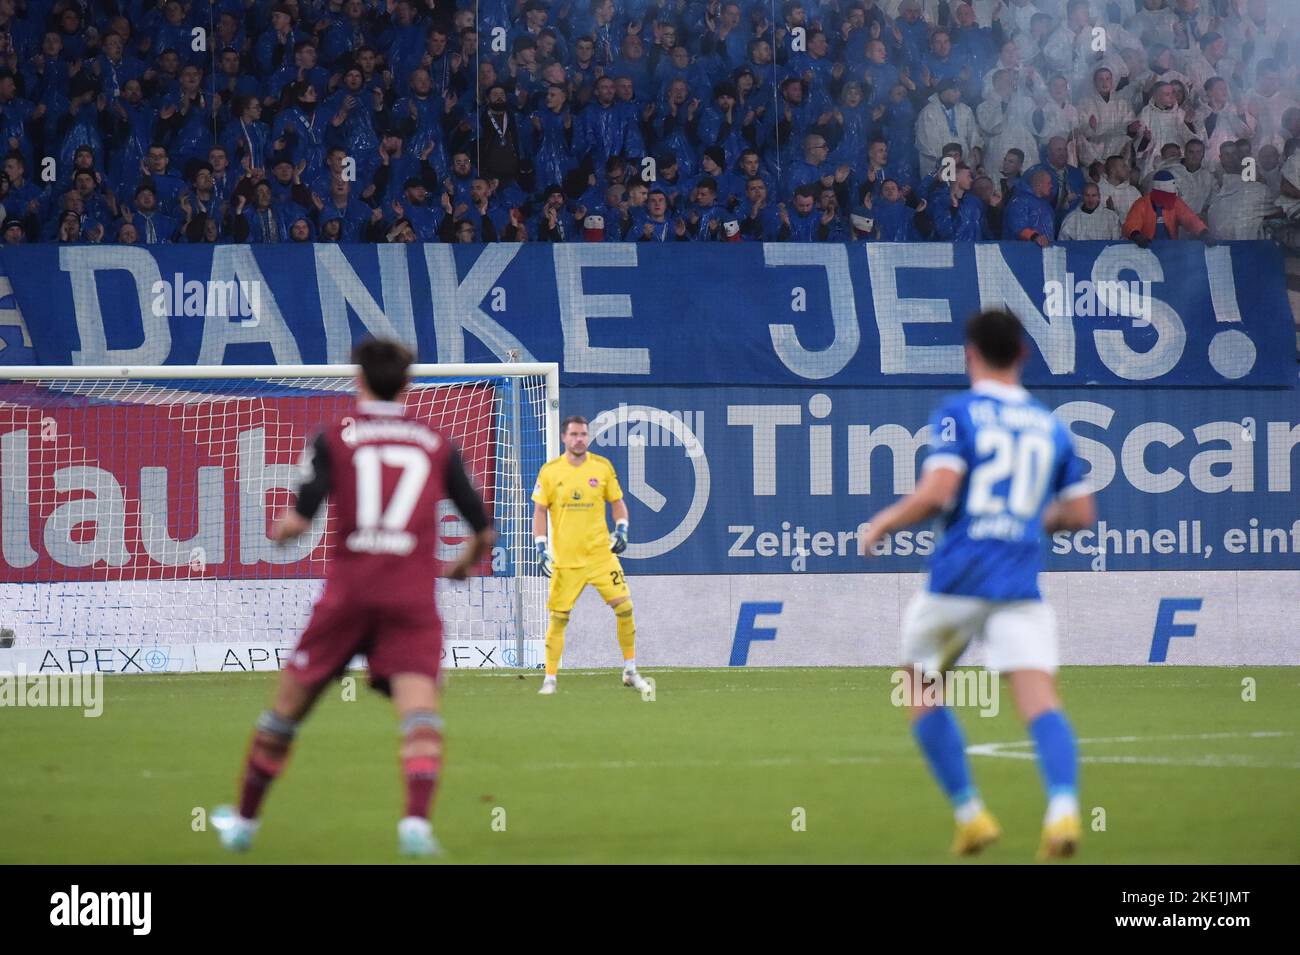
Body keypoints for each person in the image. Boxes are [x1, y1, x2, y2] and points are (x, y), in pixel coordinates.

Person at [212, 339, 496, 857]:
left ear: (357, 379)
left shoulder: (335, 436)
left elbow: (298, 524)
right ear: (407, 385)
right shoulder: (435, 441)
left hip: (348, 596)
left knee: (284, 714)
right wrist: (461, 563)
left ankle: (244, 826)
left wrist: (279, 531)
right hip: (410, 598)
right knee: (420, 717)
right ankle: (415, 825)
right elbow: (483, 527)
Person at [858, 309, 1095, 860]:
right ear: (1024, 355)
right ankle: (1062, 810)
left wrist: (884, 523)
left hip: (957, 578)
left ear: (969, 354)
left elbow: (940, 492)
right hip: (1018, 581)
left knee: (918, 683)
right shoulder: (1049, 424)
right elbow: (1081, 513)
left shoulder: (958, 413)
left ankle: (970, 814)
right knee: (1039, 700)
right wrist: (1032, 520)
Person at [532, 415, 650, 695]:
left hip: (600, 556)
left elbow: (618, 503)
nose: (579, 439)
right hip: (566, 561)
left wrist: (622, 529)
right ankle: (550, 679)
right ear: (564, 438)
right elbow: (539, 511)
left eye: (584, 434)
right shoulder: (550, 471)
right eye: (574, 434)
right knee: (559, 618)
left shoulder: (602, 467)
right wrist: (540, 546)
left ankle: (630, 670)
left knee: (625, 608)